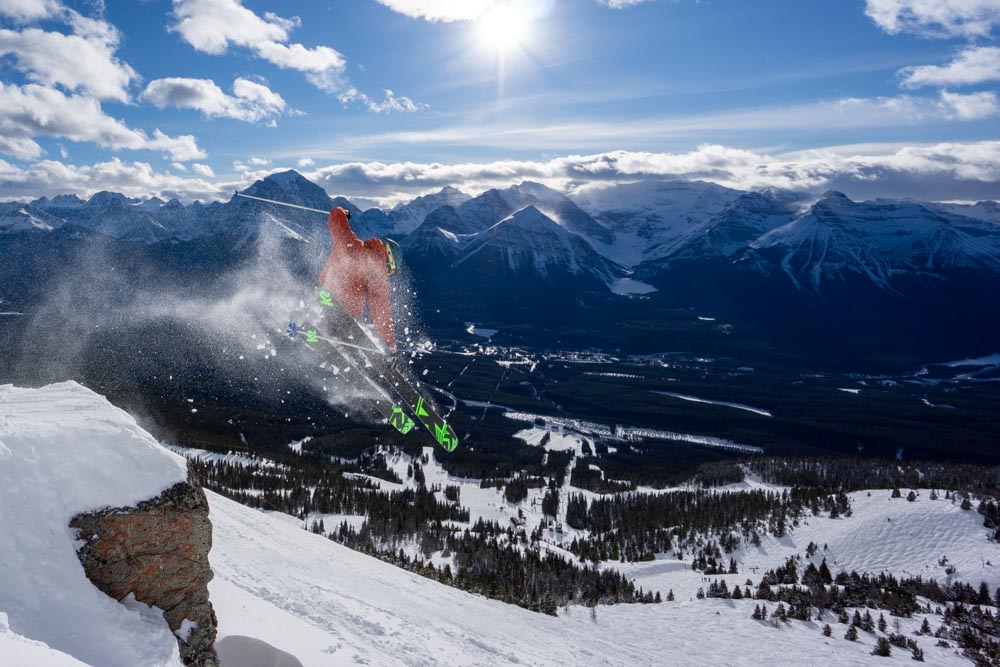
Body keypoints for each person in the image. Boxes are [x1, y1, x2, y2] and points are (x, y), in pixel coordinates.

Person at [317, 206, 399, 355]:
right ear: (389, 258)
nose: (387, 273)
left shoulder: (351, 242)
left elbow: (335, 217)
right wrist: (390, 341)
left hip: (323, 295)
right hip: (346, 312)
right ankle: (344, 346)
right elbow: (380, 308)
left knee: (324, 312)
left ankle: (317, 323)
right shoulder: (377, 270)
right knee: (345, 327)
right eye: (390, 270)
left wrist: (343, 213)